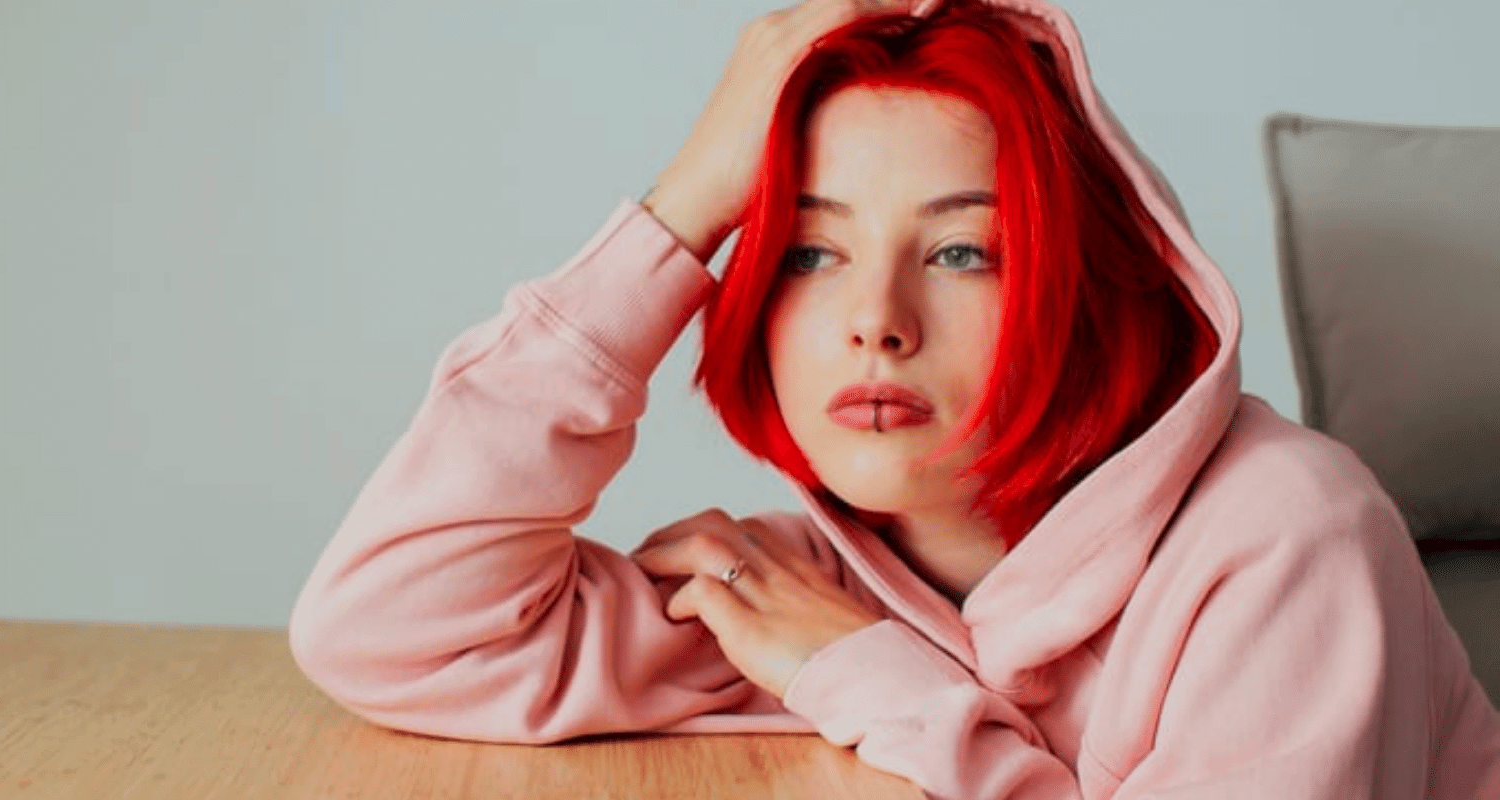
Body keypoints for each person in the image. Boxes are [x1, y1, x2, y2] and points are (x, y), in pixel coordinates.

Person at [288, 0, 1500, 796]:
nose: (876, 317)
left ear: (1093, 286)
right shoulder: (812, 587)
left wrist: (871, 676)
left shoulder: (1289, 534)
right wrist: (682, 208)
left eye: (966, 250)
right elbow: (394, 625)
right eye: (808, 253)